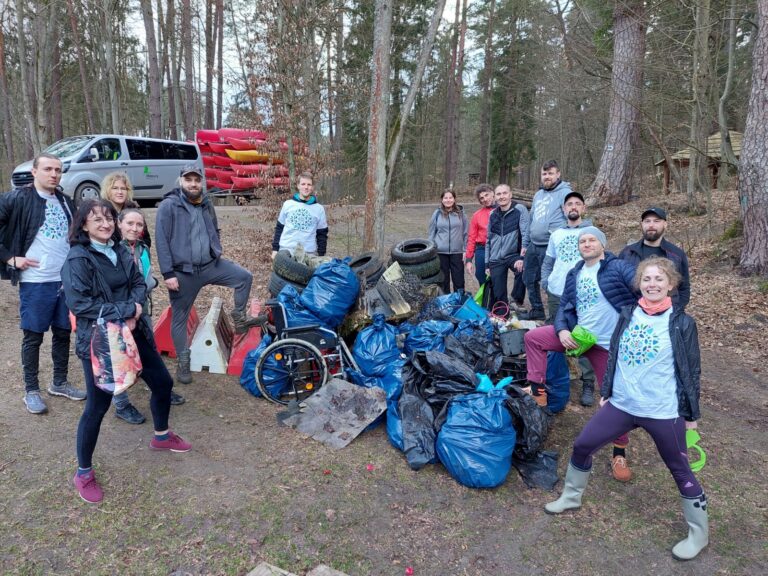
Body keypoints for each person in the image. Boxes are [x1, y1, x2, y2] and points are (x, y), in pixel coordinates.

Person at [544, 257, 708, 561]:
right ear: (639, 284)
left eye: (659, 279)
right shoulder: (628, 312)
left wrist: (691, 416)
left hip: (661, 410)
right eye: (646, 279)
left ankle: (698, 534)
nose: (652, 284)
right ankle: (570, 496)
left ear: (671, 284)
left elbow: (691, 371)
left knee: (680, 469)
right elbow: (614, 353)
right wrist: (606, 391)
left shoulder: (682, 323)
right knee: (582, 445)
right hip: (622, 404)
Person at [62, 199, 192, 504]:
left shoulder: (120, 249)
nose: (106, 224)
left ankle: (161, 436)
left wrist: (134, 308)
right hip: (102, 341)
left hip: (134, 332)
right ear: (83, 224)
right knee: (97, 406)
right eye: (97, 220)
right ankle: (83, 472)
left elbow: (137, 283)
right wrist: (126, 309)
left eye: (109, 218)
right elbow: (80, 305)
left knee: (162, 383)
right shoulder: (77, 259)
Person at [523, 227, 639, 481]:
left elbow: (644, 290)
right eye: (582, 241)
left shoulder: (618, 267)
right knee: (533, 338)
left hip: (608, 345)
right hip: (579, 337)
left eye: (592, 240)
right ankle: (538, 392)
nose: (586, 244)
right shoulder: (575, 272)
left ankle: (619, 453)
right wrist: (563, 329)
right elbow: (565, 305)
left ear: (602, 244)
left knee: (616, 398)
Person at [155, 165, 265, 385]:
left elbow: (214, 229)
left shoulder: (205, 202)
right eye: (189, 180)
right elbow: (161, 241)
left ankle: (240, 319)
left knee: (244, 277)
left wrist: (216, 248)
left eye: (197, 180)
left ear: (201, 182)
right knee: (180, 317)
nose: (193, 184)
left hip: (210, 265)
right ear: (181, 181)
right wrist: (168, 273)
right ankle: (184, 362)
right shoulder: (169, 205)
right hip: (183, 272)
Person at [0, 153, 86, 414]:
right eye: (48, 169)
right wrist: (10, 258)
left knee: (62, 332)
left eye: (58, 170)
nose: (54, 174)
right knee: (34, 336)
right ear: (34, 172)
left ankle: (59, 382)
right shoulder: (17, 198)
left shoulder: (65, 201)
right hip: (36, 281)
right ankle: (31, 390)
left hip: (64, 280)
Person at [111, 208, 185, 425]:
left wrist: (149, 284)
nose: (134, 228)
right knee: (121, 358)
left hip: (142, 308)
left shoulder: (142, 247)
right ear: (119, 224)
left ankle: (160, 388)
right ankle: (122, 404)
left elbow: (146, 275)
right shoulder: (114, 250)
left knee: (149, 350)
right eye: (130, 224)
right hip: (122, 312)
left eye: (139, 225)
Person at [540, 191, 596, 406]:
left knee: (583, 336)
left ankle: (588, 382)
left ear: (583, 208)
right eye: (569, 204)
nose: (573, 207)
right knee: (556, 333)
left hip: (582, 294)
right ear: (564, 209)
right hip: (556, 292)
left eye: (577, 204)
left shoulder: (592, 233)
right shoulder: (556, 234)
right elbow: (548, 261)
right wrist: (546, 281)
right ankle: (558, 377)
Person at [520, 160, 571, 320]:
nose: (547, 176)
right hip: (534, 245)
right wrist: (525, 244)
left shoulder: (565, 193)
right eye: (544, 174)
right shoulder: (538, 195)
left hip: (552, 246)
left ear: (558, 174)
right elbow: (531, 220)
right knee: (528, 277)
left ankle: (555, 315)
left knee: (551, 281)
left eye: (550, 173)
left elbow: (571, 218)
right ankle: (537, 310)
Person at [619, 207, 690, 309]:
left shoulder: (676, 255)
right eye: (647, 221)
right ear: (642, 224)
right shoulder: (627, 253)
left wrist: (675, 310)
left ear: (665, 224)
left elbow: (684, 287)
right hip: (634, 314)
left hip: (667, 314)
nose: (651, 225)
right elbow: (619, 285)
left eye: (656, 221)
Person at [484, 184, 529, 312]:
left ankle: (516, 300)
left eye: (504, 193)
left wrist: (522, 257)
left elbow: (526, 234)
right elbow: (488, 240)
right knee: (499, 295)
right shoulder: (493, 214)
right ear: (495, 197)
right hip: (496, 258)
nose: (502, 196)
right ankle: (503, 315)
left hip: (513, 255)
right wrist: (487, 264)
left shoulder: (520, 209)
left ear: (510, 194)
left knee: (523, 269)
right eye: (498, 194)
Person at [271, 172, 328, 258]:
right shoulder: (288, 204)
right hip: (286, 250)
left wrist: (321, 255)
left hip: (308, 253)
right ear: (298, 186)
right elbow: (279, 228)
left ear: (312, 187)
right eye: (303, 184)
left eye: (309, 185)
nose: (306, 187)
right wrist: (275, 249)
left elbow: (322, 234)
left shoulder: (319, 209)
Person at [428, 189, 469, 294]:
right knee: (443, 280)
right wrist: (431, 251)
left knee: (459, 280)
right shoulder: (437, 214)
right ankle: (446, 303)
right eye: (445, 198)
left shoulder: (461, 213)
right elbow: (432, 233)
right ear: (442, 200)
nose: (448, 200)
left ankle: (459, 303)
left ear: (454, 199)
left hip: (457, 252)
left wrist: (465, 250)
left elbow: (466, 233)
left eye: (450, 197)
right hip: (440, 253)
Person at [100, 171, 151, 247]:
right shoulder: (101, 211)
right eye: (115, 188)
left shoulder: (134, 210)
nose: (120, 192)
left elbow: (146, 238)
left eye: (123, 189)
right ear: (107, 190)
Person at [464, 183, 495, 286]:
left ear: (492, 193)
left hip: (497, 248)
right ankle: (486, 298)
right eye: (481, 198)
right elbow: (472, 238)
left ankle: (498, 300)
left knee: (496, 276)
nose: (485, 199)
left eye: (486, 195)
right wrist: (468, 259)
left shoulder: (502, 211)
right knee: (480, 274)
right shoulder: (477, 215)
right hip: (481, 248)